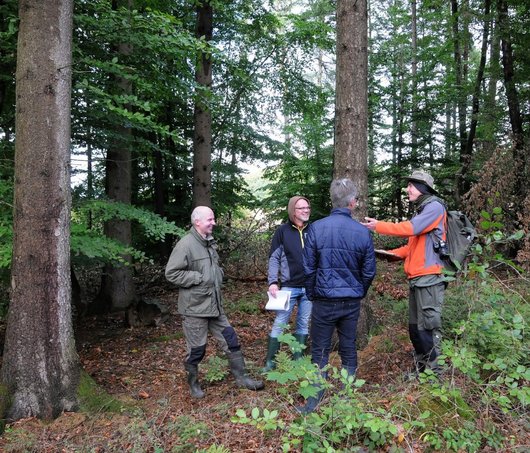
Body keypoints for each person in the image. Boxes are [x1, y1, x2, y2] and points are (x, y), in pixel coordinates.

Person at [165, 206, 264, 399]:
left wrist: (217, 274)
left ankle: (242, 379)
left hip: (215, 306)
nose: (214, 223)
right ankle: (193, 385)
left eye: (213, 219)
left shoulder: (208, 242)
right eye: (210, 219)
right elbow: (171, 273)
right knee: (196, 350)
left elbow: (213, 269)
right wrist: (197, 277)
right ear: (197, 222)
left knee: (231, 341)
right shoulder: (185, 245)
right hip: (195, 308)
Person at [300, 178, 376, 413]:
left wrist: (313, 294)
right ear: (352, 203)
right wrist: (358, 292)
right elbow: (369, 271)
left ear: (333, 201)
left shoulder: (315, 228)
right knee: (348, 347)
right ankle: (347, 398)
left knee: (320, 350)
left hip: (324, 301)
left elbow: (308, 268)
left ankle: (314, 402)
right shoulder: (362, 233)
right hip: (349, 301)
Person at [362, 170, 447, 379]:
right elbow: (411, 247)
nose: (407, 189)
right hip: (417, 279)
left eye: (411, 185)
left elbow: (411, 229)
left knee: (428, 328)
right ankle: (421, 371)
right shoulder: (421, 211)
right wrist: (388, 254)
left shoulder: (435, 207)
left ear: (423, 188)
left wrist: (378, 226)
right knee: (415, 330)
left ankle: (434, 376)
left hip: (429, 278)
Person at [264, 196, 312, 372]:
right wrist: (273, 282)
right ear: (293, 211)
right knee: (280, 322)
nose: (306, 210)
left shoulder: (313, 230)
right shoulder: (282, 231)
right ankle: (270, 362)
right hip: (288, 287)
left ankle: (298, 360)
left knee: (303, 323)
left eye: (307, 207)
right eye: (301, 208)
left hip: (309, 287)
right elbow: (274, 258)